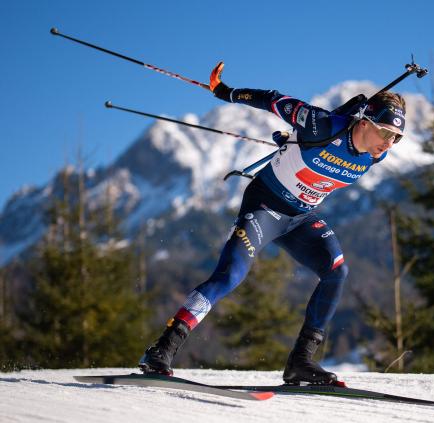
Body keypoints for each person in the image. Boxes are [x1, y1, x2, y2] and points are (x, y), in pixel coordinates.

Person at [139, 62, 407, 384]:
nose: (389, 143)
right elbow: (273, 100)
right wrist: (226, 92)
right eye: (385, 132)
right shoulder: (320, 125)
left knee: (337, 271)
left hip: (302, 217)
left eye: (397, 138)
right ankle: (162, 349)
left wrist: (295, 146)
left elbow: (330, 154)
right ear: (365, 121)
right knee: (230, 274)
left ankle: (301, 362)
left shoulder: (377, 154)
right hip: (266, 206)